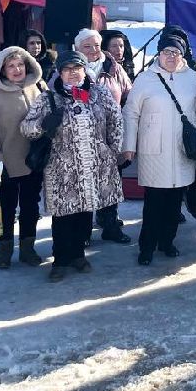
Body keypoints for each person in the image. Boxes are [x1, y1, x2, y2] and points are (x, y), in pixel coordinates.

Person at [21, 50, 124, 282]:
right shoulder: (48, 97)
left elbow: (115, 120)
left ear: (84, 70)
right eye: (67, 69)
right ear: (59, 72)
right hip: (62, 169)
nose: (72, 73)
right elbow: (26, 128)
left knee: (86, 210)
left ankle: (78, 255)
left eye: (77, 68)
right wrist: (44, 123)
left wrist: (112, 149)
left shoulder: (98, 93)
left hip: (94, 164)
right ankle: (60, 260)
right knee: (63, 215)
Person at [122, 32, 196, 265]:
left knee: (174, 201)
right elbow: (131, 113)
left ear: (182, 55)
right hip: (154, 151)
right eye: (166, 52)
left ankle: (167, 242)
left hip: (182, 150)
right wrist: (129, 145)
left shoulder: (191, 78)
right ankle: (146, 247)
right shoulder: (145, 79)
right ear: (159, 54)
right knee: (154, 202)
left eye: (176, 53)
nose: (171, 57)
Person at [0, 46, 47, 270]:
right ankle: (4, 250)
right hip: (6, 163)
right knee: (5, 208)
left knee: (30, 207)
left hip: (32, 162)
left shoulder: (36, 88)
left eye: (20, 65)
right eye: (11, 66)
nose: (17, 70)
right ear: (2, 69)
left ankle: (28, 248)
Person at [72, 28, 133, 244]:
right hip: (80, 137)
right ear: (77, 48)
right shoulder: (70, 68)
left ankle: (110, 226)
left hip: (110, 137)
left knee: (110, 182)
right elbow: (55, 95)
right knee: (85, 183)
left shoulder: (114, 68)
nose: (93, 50)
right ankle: (83, 231)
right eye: (87, 46)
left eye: (96, 45)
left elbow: (129, 95)